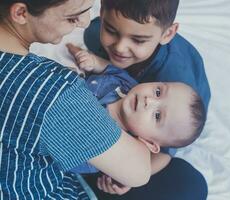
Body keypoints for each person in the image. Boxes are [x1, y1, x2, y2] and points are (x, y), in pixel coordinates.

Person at [0, 1, 153, 199]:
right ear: (21, 13)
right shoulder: (51, 91)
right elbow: (139, 173)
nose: (85, 22)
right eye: (73, 16)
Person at [81, 0, 210, 199]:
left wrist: (128, 178)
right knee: (91, 33)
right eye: (112, 30)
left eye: (138, 40)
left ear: (167, 34)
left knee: (189, 184)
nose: (121, 47)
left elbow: (164, 150)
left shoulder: (173, 81)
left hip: (176, 115)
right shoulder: (104, 33)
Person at [66, 44, 206, 175]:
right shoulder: (127, 83)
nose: (149, 101)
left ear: (150, 143)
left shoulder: (113, 146)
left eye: (157, 116)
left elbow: (68, 156)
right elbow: (108, 68)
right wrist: (93, 62)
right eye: (158, 92)